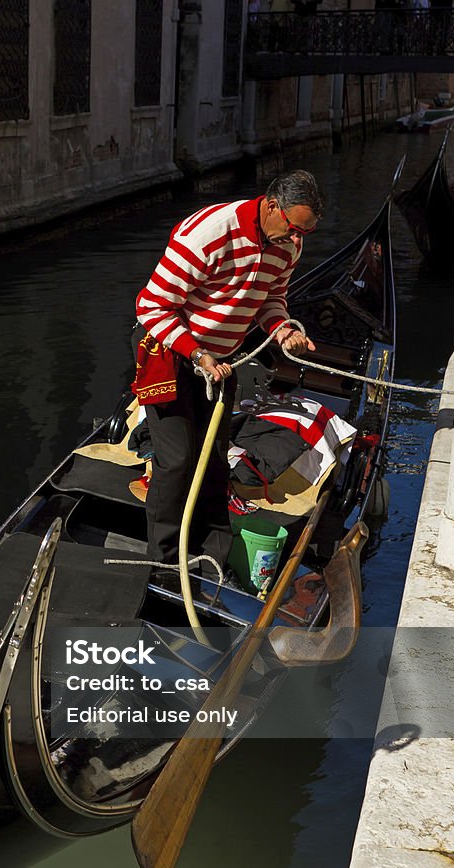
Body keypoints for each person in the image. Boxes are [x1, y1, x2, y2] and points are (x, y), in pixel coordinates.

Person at [133, 169, 322, 579]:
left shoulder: (289, 245)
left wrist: (283, 330)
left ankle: (211, 555)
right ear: (272, 206)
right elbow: (151, 307)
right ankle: (162, 563)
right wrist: (198, 353)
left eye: (304, 233)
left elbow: (271, 299)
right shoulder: (209, 232)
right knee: (178, 460)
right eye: (293, 228)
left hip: (221, 359)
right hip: (169, 349)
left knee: (216, 460)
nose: (296, 241)